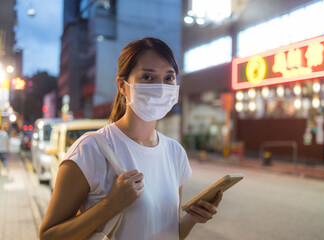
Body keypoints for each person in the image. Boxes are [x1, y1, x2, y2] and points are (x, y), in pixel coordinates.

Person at [39, 37, 223, 240]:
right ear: (122, 85)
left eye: (169, 78)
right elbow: (48, 235)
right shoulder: (91, 149)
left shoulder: (175, 152)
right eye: (147, 77)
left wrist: (193, 217)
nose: (161, 88)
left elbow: (169, 233)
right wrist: (110, 204)